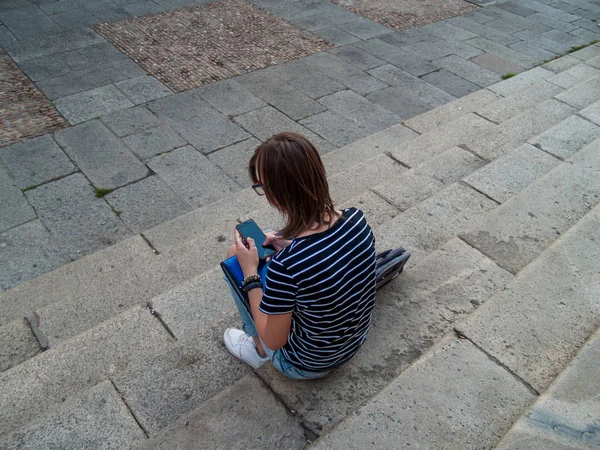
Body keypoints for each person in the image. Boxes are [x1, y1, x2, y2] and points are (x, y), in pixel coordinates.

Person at [223, 132, 377, 380]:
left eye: (261, 186)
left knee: (236, 259)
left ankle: (256, 348)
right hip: (354, 340)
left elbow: (275, 340)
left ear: (276, 195)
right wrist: (290, 244)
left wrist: (251, 274)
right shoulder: (356, 219)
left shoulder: (286, 266)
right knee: (251, 255)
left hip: (306, 363)